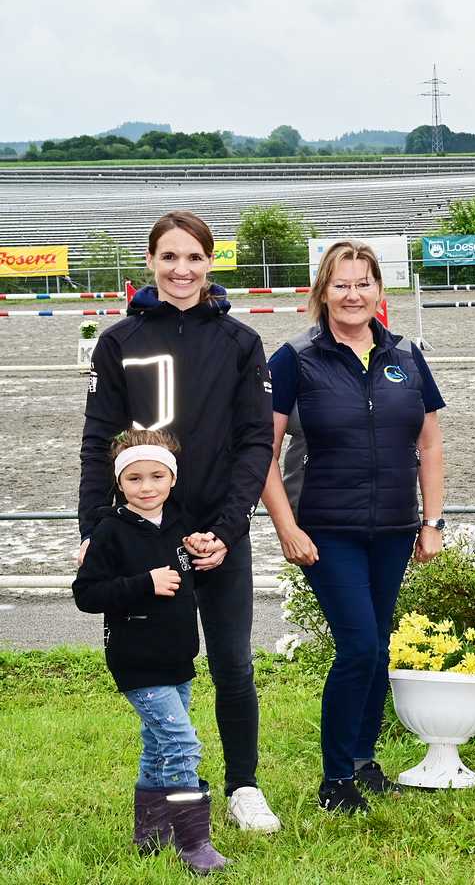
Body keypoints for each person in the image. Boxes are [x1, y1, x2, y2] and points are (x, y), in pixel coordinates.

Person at [76, 210, 281, 832]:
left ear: (210, 262)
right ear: (150, 262)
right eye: (169, 257)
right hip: (144, 534)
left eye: (194, 257)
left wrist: (227, 528)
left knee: (232, 663)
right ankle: (168, 795)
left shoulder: (241, 342)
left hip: (218, 531)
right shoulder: (119, 342)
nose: (181, 270)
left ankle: (243, 786)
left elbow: (256, 443)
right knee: (161, 666)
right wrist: (94, 530)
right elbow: (97, 441)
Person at [260, 240, 446, 813]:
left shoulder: (407, 355)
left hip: (394, 528)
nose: (352, 294)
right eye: (341, 284)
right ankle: (335, 779)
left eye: (363, 283)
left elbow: (430, 444)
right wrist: (286, 527)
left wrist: (432, 522)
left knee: (378, 646)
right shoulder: (293, 359)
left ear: (379, 291)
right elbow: (262, 454)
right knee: (359, 645)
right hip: (325, 530)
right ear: (322, 291)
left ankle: (364, 762)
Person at [74, 428, 229, 874]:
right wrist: (145, 584)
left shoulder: (179, 524)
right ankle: (194, 843)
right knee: (182, 745)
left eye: (156, 476)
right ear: (119, 482)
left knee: (158, 746)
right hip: (136, 660)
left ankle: (151, 833)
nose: (146, 487)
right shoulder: (109, 531)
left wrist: (200, 556)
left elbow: (187, 579)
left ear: (173, 479)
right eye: (135, 478)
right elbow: (87, 594)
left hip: (177, 657)